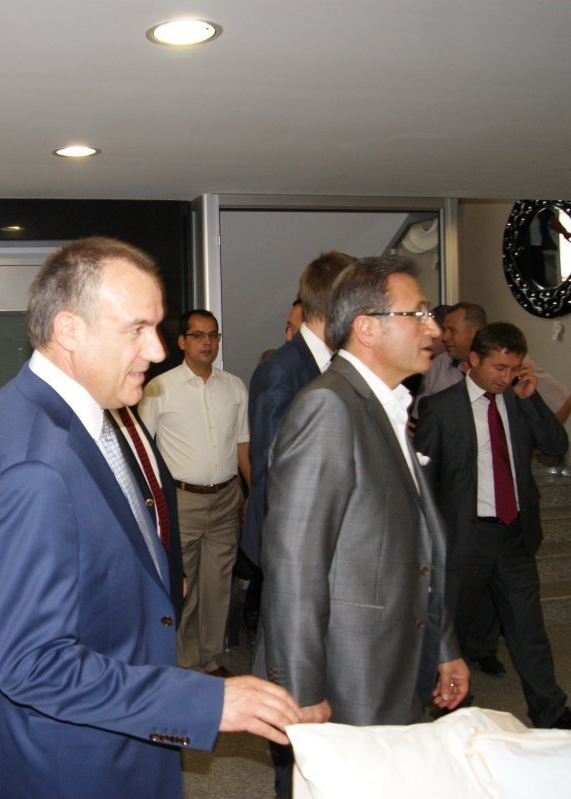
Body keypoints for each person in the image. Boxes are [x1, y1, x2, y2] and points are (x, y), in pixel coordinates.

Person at [0, 237, 301, 799]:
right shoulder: (35, 460)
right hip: (71, 758)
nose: (156, 350)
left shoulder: (57, 409)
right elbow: (34, 664)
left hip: (105, 721)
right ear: (68, 330)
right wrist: (205, 701)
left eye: (156, 328)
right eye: (136, 329)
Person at [255, 255, 469, 798]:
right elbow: (296, 564)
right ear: (367, 328)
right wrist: (302, 691)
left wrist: (443, 643)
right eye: (418, 314)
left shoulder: (387, 403)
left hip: (397, 655)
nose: (434, 329)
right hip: (349, 673)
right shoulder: (329, 406)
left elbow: (418, 544)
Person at [415, 322, 571, 730]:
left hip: (513, 535)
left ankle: (550, 711)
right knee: (451, 628)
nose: (505, 377)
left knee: (528, 629)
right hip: (465, 537)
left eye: (513, 368)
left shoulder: (519, 400)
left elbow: (556, 447)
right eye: (498, 367)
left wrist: (531, 400)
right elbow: (423, 482)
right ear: (473, 360)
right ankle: (448, 708)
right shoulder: (441, 407)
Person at [139, 309, 250, 676]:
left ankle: (212, 658)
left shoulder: (234, 387)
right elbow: (144, 450)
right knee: (185, 584)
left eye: (213, 335)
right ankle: (185, 662)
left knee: (218, 583)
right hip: (181, 500)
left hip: (226, 498)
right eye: (199, 335)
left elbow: (243, 444)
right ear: (182, 342)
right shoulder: (159, 388)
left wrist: (251, 491)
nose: (207, 342)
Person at [242, 251, 356, 568]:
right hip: (294, 546)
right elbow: (273, 472)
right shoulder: (280, 370)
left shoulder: (339, 364)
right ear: (338, 306)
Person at [419, 302, 571, 423]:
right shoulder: (436, 367)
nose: (444, 337)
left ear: (475, 332)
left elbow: (565, 401)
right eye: (445, 330)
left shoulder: (514, 365)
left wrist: (533, 449)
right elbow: (420, 417)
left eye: (452, 330)